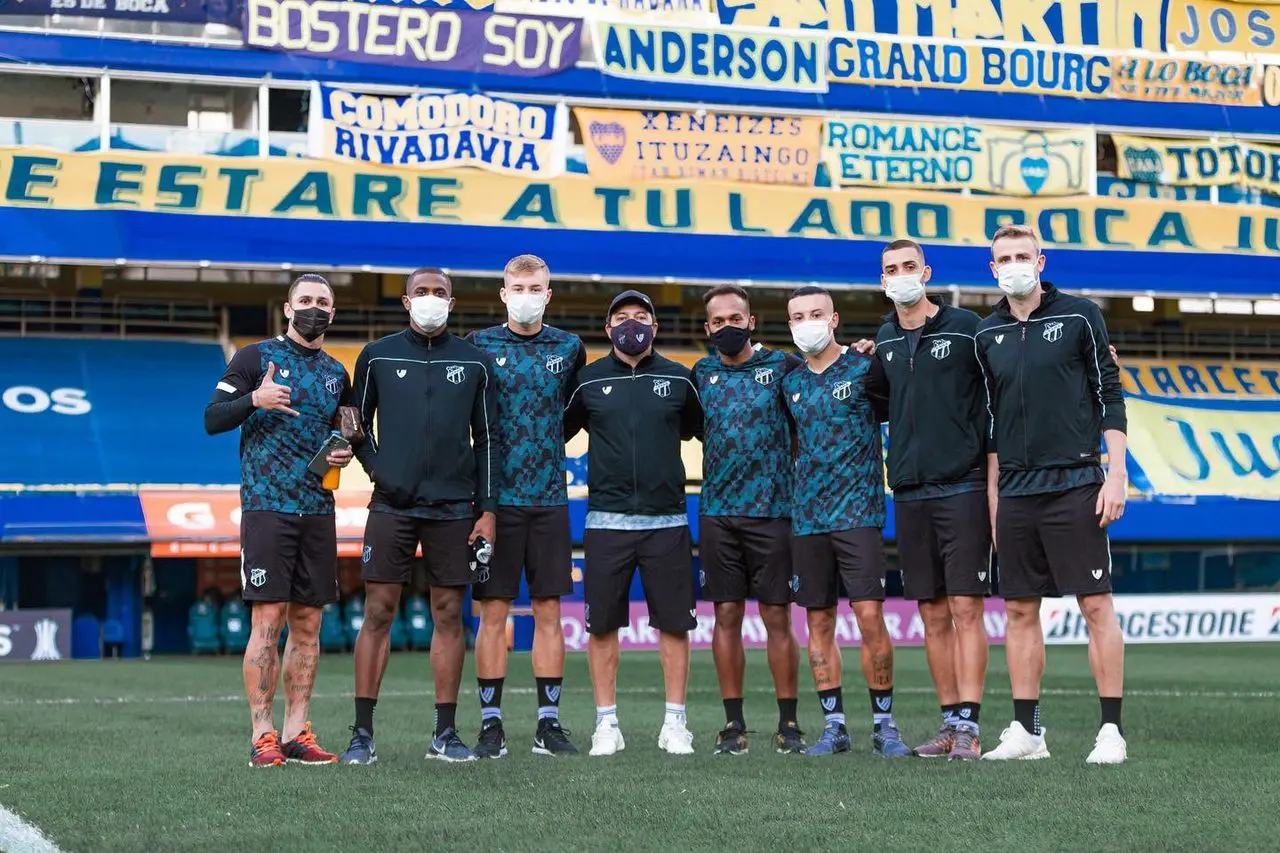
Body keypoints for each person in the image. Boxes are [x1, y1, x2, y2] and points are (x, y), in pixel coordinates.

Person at [975, 224, 1128, 765]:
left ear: (1041, 261)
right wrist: (994, 501)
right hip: (1015, 490)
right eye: (1004, 258)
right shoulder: (985, 335)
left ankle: (1110, 732)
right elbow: (989, 425)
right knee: (1019, 611)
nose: (1014, 263)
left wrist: (1117, 473)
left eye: (1023, 255)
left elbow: (1109, 391)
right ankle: (1028, 731)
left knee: (1095, 606)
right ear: (992, 269)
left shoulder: (1081, 315)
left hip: (1077, 482)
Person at [340, 268, 498, 765]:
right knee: (379, 612)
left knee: (450, 615)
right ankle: (362, 735)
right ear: (406, 301)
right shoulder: (376, 355)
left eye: (440, 293)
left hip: (454, 508)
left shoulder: (476, 362)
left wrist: (487, 509)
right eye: (422, 293)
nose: (431, 300)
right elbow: (351, 423)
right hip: (392, 505)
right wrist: (379, 472)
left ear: (452, 302)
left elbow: (488, 440)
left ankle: (444, 734)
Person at [204, 273, 353, 768]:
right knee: (267, 621)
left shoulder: (337, 373)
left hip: (318, 510)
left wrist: (343, 454)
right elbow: (212, 417)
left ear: (332, 314)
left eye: (322, 302)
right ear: (287, 310)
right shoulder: (254, 358)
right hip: (268, 509)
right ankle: (262, 734)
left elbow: (345, 436)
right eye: (305, 300)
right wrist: (254, 400)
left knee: (308, 625)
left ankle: (297, 732)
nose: (314, 308)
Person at [563, 290, 703, 757]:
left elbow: (698, 430)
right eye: (621, 318)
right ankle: (607, 724)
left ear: (655, 327)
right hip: (606, 521)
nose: (632, 324)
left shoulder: (681, 380)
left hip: (668, 521)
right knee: (602, 626)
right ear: (607, 330)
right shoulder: (586, 382)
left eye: (641, 317)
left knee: (674, 626)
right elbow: (558, 431)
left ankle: (675, 723)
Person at [781, 286, 912, 758]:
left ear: (834, 319)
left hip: (858, 513)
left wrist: (874, 346)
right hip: (808, 518)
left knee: (870, 616)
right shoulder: (789, 382)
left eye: (816, 313)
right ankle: (834, 725)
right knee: (817, 622)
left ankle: (884, 725)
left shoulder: (865, 368)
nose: (807, 322)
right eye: (798, 316)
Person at [874, 240, 991, 761]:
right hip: (910, 490)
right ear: (882, 280)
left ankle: (970, 724)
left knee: (966, 607)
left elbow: (1009, 377)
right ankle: (948, 724)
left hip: (963, 485)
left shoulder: (966, 327)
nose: (900, 275)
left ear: (926, 272)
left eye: (908, 267)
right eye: (890, 269)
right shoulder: (883, 340)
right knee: (931, 612)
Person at [465, 254, 585, 758]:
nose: (527, 293)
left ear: (549, 293)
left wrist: (545, 445)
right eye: (518, 286)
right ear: (503, 292)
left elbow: (574, 413)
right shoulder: (479, 346)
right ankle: (491, 724)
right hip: (494, 501)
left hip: (550, 501)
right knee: (492, 611)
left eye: (536, 286)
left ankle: (547, 724)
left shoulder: (569, 347)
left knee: (549, 611)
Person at [690, 285, 805, 756]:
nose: (728, 328)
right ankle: (732, 724)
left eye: (736, 319)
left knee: (777, 616)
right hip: (718, 513)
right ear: (707, 329)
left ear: (752, 321)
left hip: (773, 513)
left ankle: (789, 723)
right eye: (718, 322)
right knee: (726, 615)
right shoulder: (701, 372)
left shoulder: (784, 367)